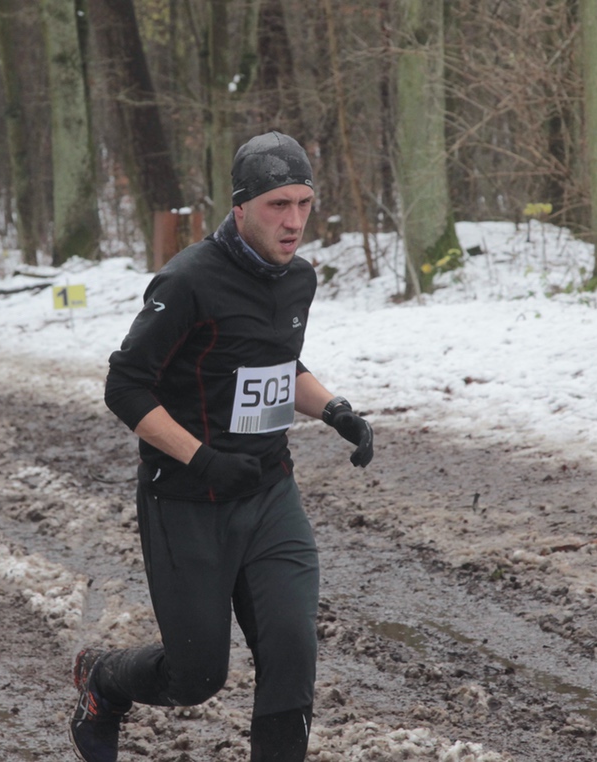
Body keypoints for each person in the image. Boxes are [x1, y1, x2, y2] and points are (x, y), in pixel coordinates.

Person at [69, 131, 374, 762]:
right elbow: (125, 387)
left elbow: (275, 364)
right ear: (240, 208)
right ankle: (104, 681)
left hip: (269, 492)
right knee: (195, 678)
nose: (294, 221)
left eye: (304, 204)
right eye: (277, 205)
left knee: (292, 652)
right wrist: (203, 459)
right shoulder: (188, 281)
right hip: (186, 501)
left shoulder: (299, 279)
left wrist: (335, 410)